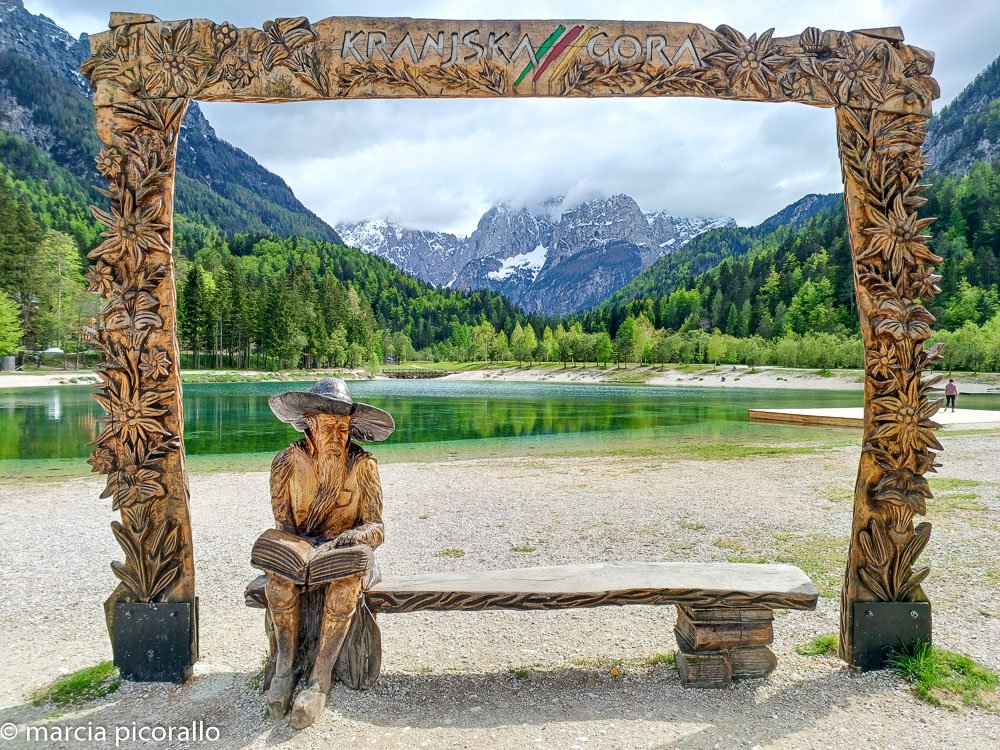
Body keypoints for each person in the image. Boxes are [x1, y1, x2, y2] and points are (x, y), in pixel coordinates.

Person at [261, 378, 393, 728]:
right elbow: (283, 525)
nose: (337, 435)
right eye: (328, 427)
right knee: (278, 580)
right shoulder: (286, 463)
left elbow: (376, 526)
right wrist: (294, 555)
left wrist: (353, 538)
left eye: (343, 428)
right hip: (304, 553)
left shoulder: (363, 466)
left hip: (345, 554)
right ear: (310, 426)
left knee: (345, 583)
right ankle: (285, 668)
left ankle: (320, 679)